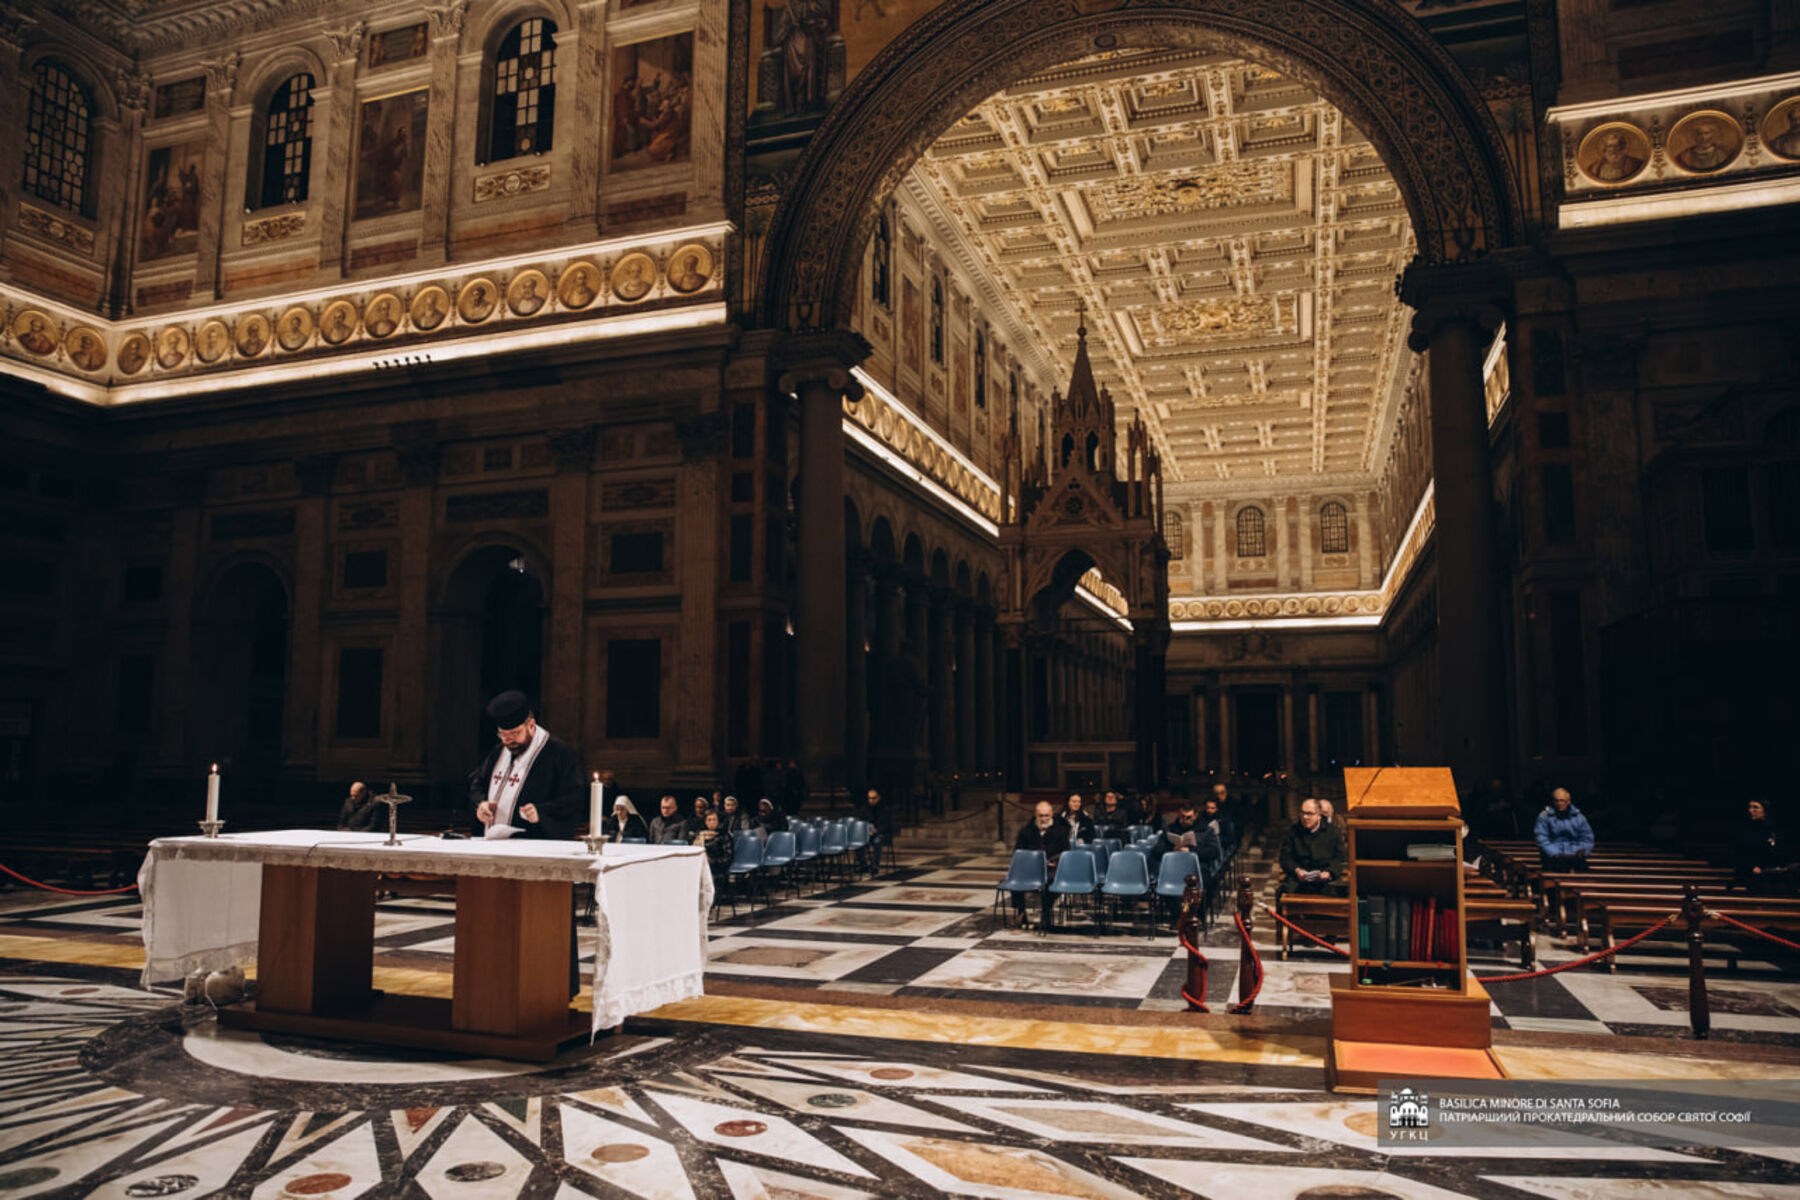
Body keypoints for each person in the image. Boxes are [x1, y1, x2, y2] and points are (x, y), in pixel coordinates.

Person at [470, 691, 582, 840]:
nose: (508, 741)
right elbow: (477, 783)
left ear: (531, 725)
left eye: (515, 734)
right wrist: (481, 804)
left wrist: (541, 813)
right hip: (493, 842)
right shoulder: (498, 752)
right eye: (503, 734)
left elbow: (573, 799)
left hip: (535, 844)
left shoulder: (559, 753)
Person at [1011, 800, 1069, 928]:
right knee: (1015, 878)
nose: (1044, 819)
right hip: (1030, 869)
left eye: (1046, 815)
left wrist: (1056, 860)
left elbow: (1066, 852)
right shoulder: (1026, 831)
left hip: (1051, 868)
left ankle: (1046, 913)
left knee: (1050, 881)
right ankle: (1021, 912)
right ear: (1036, 815)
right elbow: (1018, 852)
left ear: (1051, 815)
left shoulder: (1061, 831)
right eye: (1040, 816)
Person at [1279, 798, 1347, 895]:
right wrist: (1297, 870)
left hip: (1325, 878)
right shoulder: (1293, 832)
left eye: (1309, 814)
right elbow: (1285, 857)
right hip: (1299, 878)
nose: (1305, 817)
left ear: (1319, 815)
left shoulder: (1333, 832)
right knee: (1285, 892)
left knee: (1337, 893)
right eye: (1302, 813)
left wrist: (1329, 872)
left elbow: (1340, 858)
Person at [1732, 799, 1791, 894]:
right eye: (1750, 807)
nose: (1751, 810)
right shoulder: (1745, 830)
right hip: (1751, 872)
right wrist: (1751, 867)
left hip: (1771, 872)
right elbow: (1740, 853)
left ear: (1765, 811)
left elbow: (1780, 851)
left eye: (1755, 807)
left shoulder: (1774, 828)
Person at [1534, 787, 1594, 872]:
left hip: (1575, 856)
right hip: (1553, 858)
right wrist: (1555, 854)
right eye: (1556, 800)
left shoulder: (1579, 818)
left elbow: (1587, 838)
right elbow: (1541, 838)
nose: (1559, 803)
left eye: (1562, 800)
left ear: (1568, 801)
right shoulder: (1544, 817)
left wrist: (1581, 851)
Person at [1156, 800, 1221, 875]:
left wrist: (1191, 850)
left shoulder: (1206, 830)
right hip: (1174, 866)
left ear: (1195, 816)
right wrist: (1173, 850)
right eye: (1182, 817)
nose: (1184, 820)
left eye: (1188, 817)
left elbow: (1214, 851)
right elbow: (1157, 851)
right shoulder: (1170, 829)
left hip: (1198, 866)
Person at [694, 809, 733, 890]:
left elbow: (728, 858)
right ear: (705, 822)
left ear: (718, 821)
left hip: (716, 868)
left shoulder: (724, 836)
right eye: (709, 820)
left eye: (714, 820)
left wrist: (711, 861)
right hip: (700, 865)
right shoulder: (699, 836)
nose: (712, 822)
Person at [861, 788, 894, 873]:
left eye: (873, 798)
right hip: (870, 833)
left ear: (878, 798)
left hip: (883, 834)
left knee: (877, 841)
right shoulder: (865, 809)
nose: (871, 800)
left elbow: (887, 826)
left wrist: (876, 832)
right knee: (860, 842)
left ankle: (874, 866)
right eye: (869, 798)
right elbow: (864, 822)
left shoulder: (885, 810)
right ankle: (863, 865)